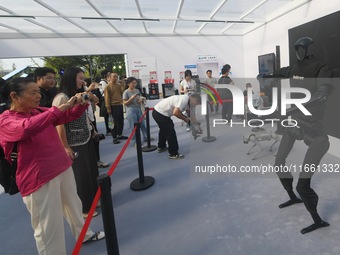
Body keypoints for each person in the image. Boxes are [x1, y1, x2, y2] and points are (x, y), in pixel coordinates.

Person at [0, 77, 104, 255]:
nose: (38, 96)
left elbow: (66, 116)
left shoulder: (38, 111)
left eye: (38, 92)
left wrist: (80, 104)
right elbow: (27, 128)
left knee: (74, 206)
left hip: (61, 167)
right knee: (48, 225)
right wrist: (60, 109)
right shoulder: (6, 120)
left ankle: (84, 234)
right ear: (14, 96)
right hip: (38, 177)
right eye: (33, 92)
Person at [270, 37, 333, 234]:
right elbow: (277, 73)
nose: (299, 51)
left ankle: (317, 219)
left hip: (315, 131)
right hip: (295, 123)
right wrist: (266, 77)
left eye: (301, 48)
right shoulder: (294, 68)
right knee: (279, 162)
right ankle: (292, 196)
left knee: (303, 184)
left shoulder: (321, 67)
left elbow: (323, 91)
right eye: (296, 48)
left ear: (307, 48)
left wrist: (305, 104)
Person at [52, 67, 101, 218]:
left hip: (86, 138)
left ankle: (93, 199)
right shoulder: (62, 97)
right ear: (71, 78)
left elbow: (96, 103)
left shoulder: (79, 94)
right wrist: (66, 146)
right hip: (74, 142)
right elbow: (59, 124)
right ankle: (84, 208)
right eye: (80, 78)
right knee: (81, 176)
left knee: (91, 171)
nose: (83, 81)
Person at [152, 94, 201, 159]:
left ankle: (161, 147)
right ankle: (173, 154)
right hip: (160, 113)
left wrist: (196, 124)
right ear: (194, 100)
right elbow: (176, 112)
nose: (195, 106)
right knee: (170, 132)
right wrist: (186, 119)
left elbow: (192, 114)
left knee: (164, 129)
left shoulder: (189, 102)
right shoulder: (184, 99)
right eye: (196, 104)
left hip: (158, 112)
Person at [84, 78, 109, 168]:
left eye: (83, 79)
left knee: (95, 141)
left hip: (91, 118)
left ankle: (97, 160)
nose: (83, 82)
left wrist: (89, 92)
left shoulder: (86, 90)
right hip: (83, 122)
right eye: (80, 79)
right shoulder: (73, 93)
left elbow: (96, 100)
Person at [123, 77, 149, 146]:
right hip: (131, 110)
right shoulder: (126, 92)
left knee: (143, 124)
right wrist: (131, 99)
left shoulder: (137, 90)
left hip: (138, 108)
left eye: (135, 83)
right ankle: (135, 141)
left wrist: (141, 100)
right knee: (133, 126)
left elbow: (140, 97)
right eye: (132, 83)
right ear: (128, 84)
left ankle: (146, 137)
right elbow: (125, 103)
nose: (134, 84)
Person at [104, 72, 128, 144]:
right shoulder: (108, 87)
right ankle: (114, 137)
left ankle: (120, 134)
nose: (116, 78)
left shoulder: (118, 85)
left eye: (116, 76)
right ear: (110, 77)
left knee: (121, 121)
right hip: (113, 106)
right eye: (114, 76)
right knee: (114, 122)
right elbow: (107, 98)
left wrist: (123, 84)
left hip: (120, 105)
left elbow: (122, 93)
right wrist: (108, 108)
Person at [99, 70, 112, 136]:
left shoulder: (105, 82)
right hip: (104, 99)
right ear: (105, 75)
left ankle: (110, 129)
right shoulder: (102, 82)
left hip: (108, 99)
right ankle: (108, 130)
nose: (110, 75)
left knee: (109, 116)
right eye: (108, 74)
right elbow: (105, 90)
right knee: (107, 116)